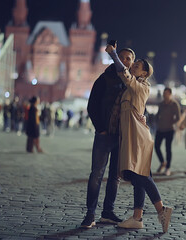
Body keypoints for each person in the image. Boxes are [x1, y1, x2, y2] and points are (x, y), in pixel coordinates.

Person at [106, 44, 172, 233]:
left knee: (140, 175)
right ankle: (137, 217)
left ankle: (161, 210)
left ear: (143, 73)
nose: (132, 66)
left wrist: (113, 54)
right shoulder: (132, 87)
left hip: (138, 137)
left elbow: (124, 73)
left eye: (136, 66)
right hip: (131, 135)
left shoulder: (142, 86)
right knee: (138, 175)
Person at [81, 47, 135, 229]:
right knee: (96, 174)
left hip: (121, 137)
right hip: (105, 135)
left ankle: (108, 212)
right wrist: (101, 128)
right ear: (115, 59)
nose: (125, 61)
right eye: (122, 57)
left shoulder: (132, 83)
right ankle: (90, 214)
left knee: (115, 177)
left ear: (132, 63)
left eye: (128, 58)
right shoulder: (104, 79)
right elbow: (92, 105)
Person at [154, 87, 181, 176]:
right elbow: (158, 115)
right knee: (156, 146)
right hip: (160, 129)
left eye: (166, 93)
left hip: (169, 129)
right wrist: (157, 122)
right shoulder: (161, 104)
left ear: (170, 94)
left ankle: (167, 168)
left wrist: (172, 123)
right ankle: (163, 162)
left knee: (168, 149)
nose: (164, 95)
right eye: (163, 93)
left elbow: (178, 117)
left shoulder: (174, 104)